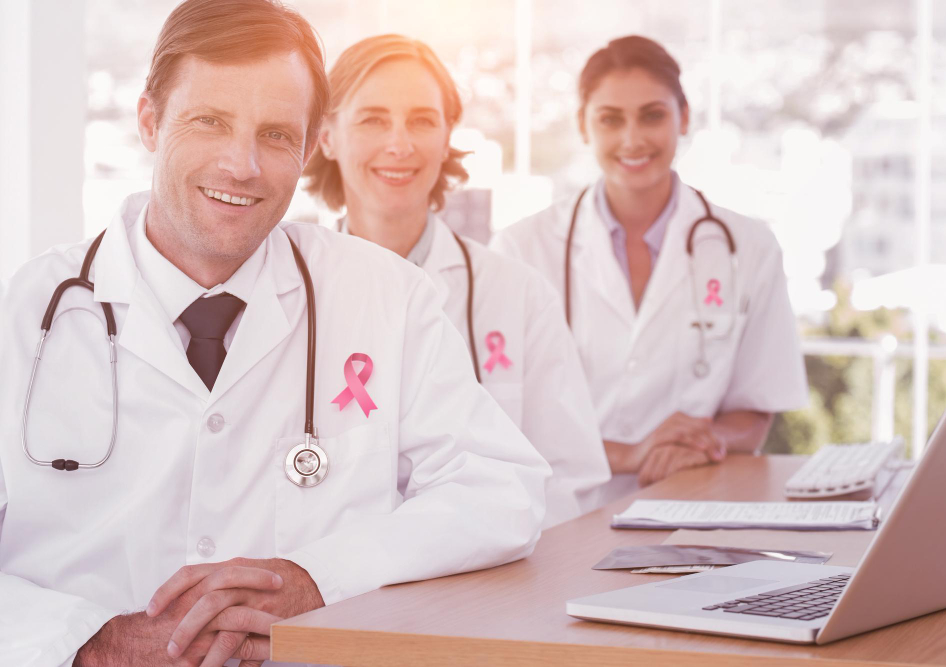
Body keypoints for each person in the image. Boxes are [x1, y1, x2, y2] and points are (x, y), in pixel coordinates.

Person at [0, 2, 549, 666]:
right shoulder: (24, 314)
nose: (242, 164)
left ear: (313, 143)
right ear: (149, 120)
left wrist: (319, 576)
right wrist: (91, 639)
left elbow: (501, 488)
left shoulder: (387, 299)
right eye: (209, 122)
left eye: (276, 135)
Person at [303, 35, 610, 528]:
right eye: (372, 119)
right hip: (328, 589)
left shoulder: (518, 295)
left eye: (422, 120)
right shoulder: (287, 292)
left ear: (447, 137)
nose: (399, 144)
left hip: (486, 591)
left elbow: (569, 483)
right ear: (326, 136)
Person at [491, 35, 808, 501]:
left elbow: (754, 409)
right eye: (610, 119)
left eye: (652, 115)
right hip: (558, 516)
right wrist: (631, 453)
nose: (632, 139)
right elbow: (501, 416)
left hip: (692, 503)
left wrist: (709, 441)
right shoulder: (520, 249)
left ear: (684, 117)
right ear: (583, 125)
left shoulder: (750, 247)